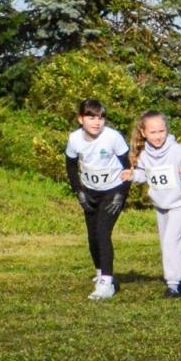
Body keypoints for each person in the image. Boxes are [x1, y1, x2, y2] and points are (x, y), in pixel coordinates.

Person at [65, 99, 133, 300]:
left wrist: (121, 194)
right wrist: (79, 192)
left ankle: (107, 283)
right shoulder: (74, 139)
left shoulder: (113, 137)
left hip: (113, 191)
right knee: (93, 236)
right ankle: (100, 272)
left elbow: (129, 167)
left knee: (103, 232)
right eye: (91, 117)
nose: (97, 122)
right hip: (90, 192)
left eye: (101, 118)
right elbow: (70, 166)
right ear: (81, 119)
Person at [131, 111, 181, 297]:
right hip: (161, 204)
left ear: (166, 130)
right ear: (144, 133)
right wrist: (131, 175)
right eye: (153, 132)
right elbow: (143, 175)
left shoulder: (177, 150)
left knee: (171, 242)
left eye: (161, 131)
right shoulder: (144, 154)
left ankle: (173, 284)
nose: (158, 136)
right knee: (168, 244)